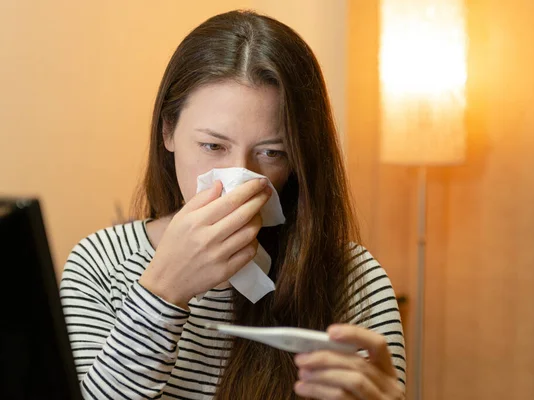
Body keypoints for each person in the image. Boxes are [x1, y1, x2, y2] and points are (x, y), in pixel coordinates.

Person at [60, 9, 406, 400]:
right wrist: (163, 291)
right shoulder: (101, 266)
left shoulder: (352, 279)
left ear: (298, 161)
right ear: (168, 131)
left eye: (271, 153)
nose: (238, 179)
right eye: (212, 146)